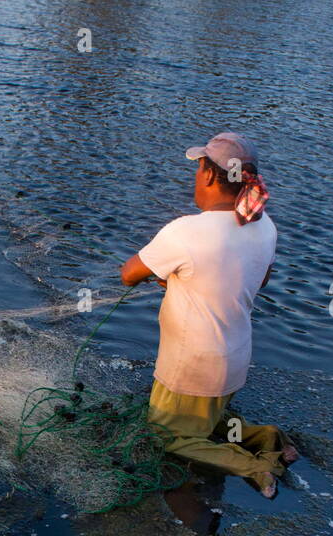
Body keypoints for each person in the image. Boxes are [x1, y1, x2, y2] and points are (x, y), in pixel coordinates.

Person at [120, 132, 298, 498]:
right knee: (206, 418)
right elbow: (256, 279)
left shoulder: (186, 231)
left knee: (166, 437)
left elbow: (128, 274)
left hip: (192, 365)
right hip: (234, 359)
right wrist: (189, 280)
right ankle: (268, 437)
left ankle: (255, 465)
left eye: (198, 169)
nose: (195, 179)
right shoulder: (265, 227)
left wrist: (170, 274)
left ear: (210, 176)